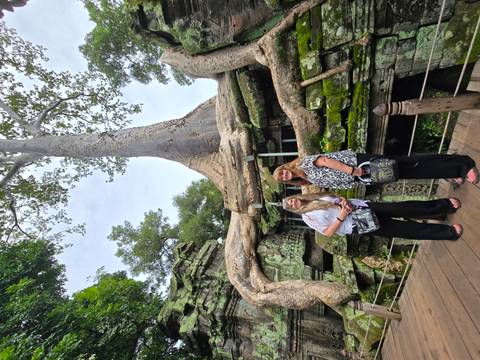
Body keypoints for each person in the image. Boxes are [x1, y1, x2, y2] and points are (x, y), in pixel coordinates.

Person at [282, 193, 463, 240]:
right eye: (291, 205)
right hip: (357, 224)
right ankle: (447, 232)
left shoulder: (313, 196)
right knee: (405, 229)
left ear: (295, 197)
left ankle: (444, 206)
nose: (293, 203)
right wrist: (342, 216)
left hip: (362, 206)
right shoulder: (308, 218)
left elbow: (336, 197)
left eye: (291, 200)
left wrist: (343, 202)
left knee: (405, 207)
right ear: (293, 210)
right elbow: (328, 233)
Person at [273, 149, 478, 189]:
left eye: (281, 171)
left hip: (358, 165)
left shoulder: (302, 164)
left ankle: (463, 164)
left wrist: (351, 171)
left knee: (409, 163)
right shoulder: (306, 179)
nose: (284, 174)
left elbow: (326, 161)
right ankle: (451, 168)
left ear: (284, 167)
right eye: (283, 178)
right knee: (406, 171)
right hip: (361, 177)